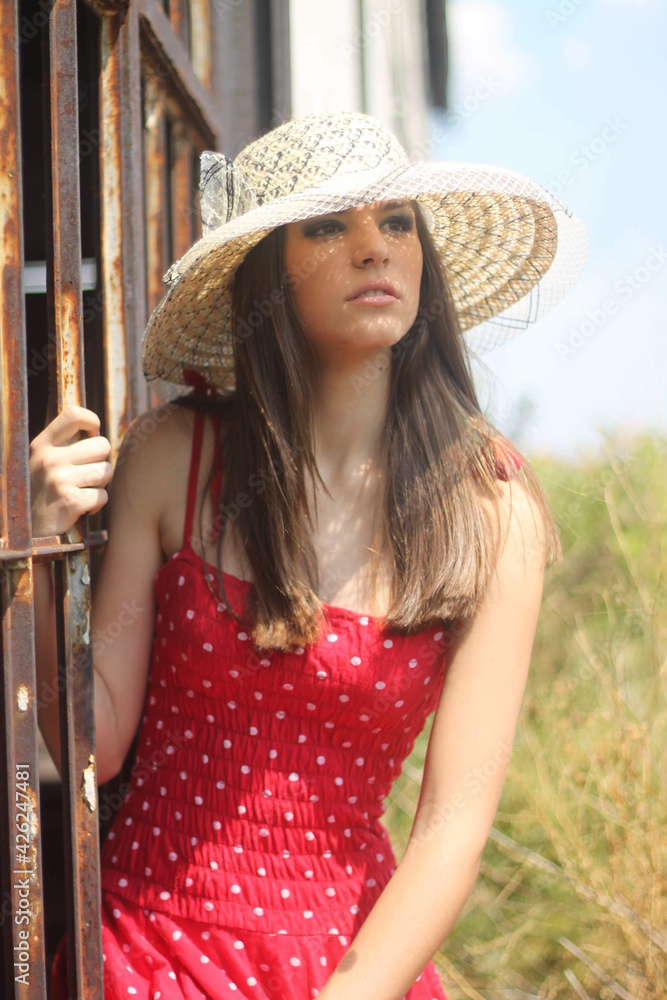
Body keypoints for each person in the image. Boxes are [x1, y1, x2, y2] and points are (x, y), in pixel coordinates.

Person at [32, 111, 588, 999]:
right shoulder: (173, 457)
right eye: (329, 225)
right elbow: (91, 747)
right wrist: (41, 554)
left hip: (354, 969)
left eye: (397, 222)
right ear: (267, 275)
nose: (375, 248)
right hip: (142, 951)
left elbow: (451, 826)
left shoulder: (491, 512)